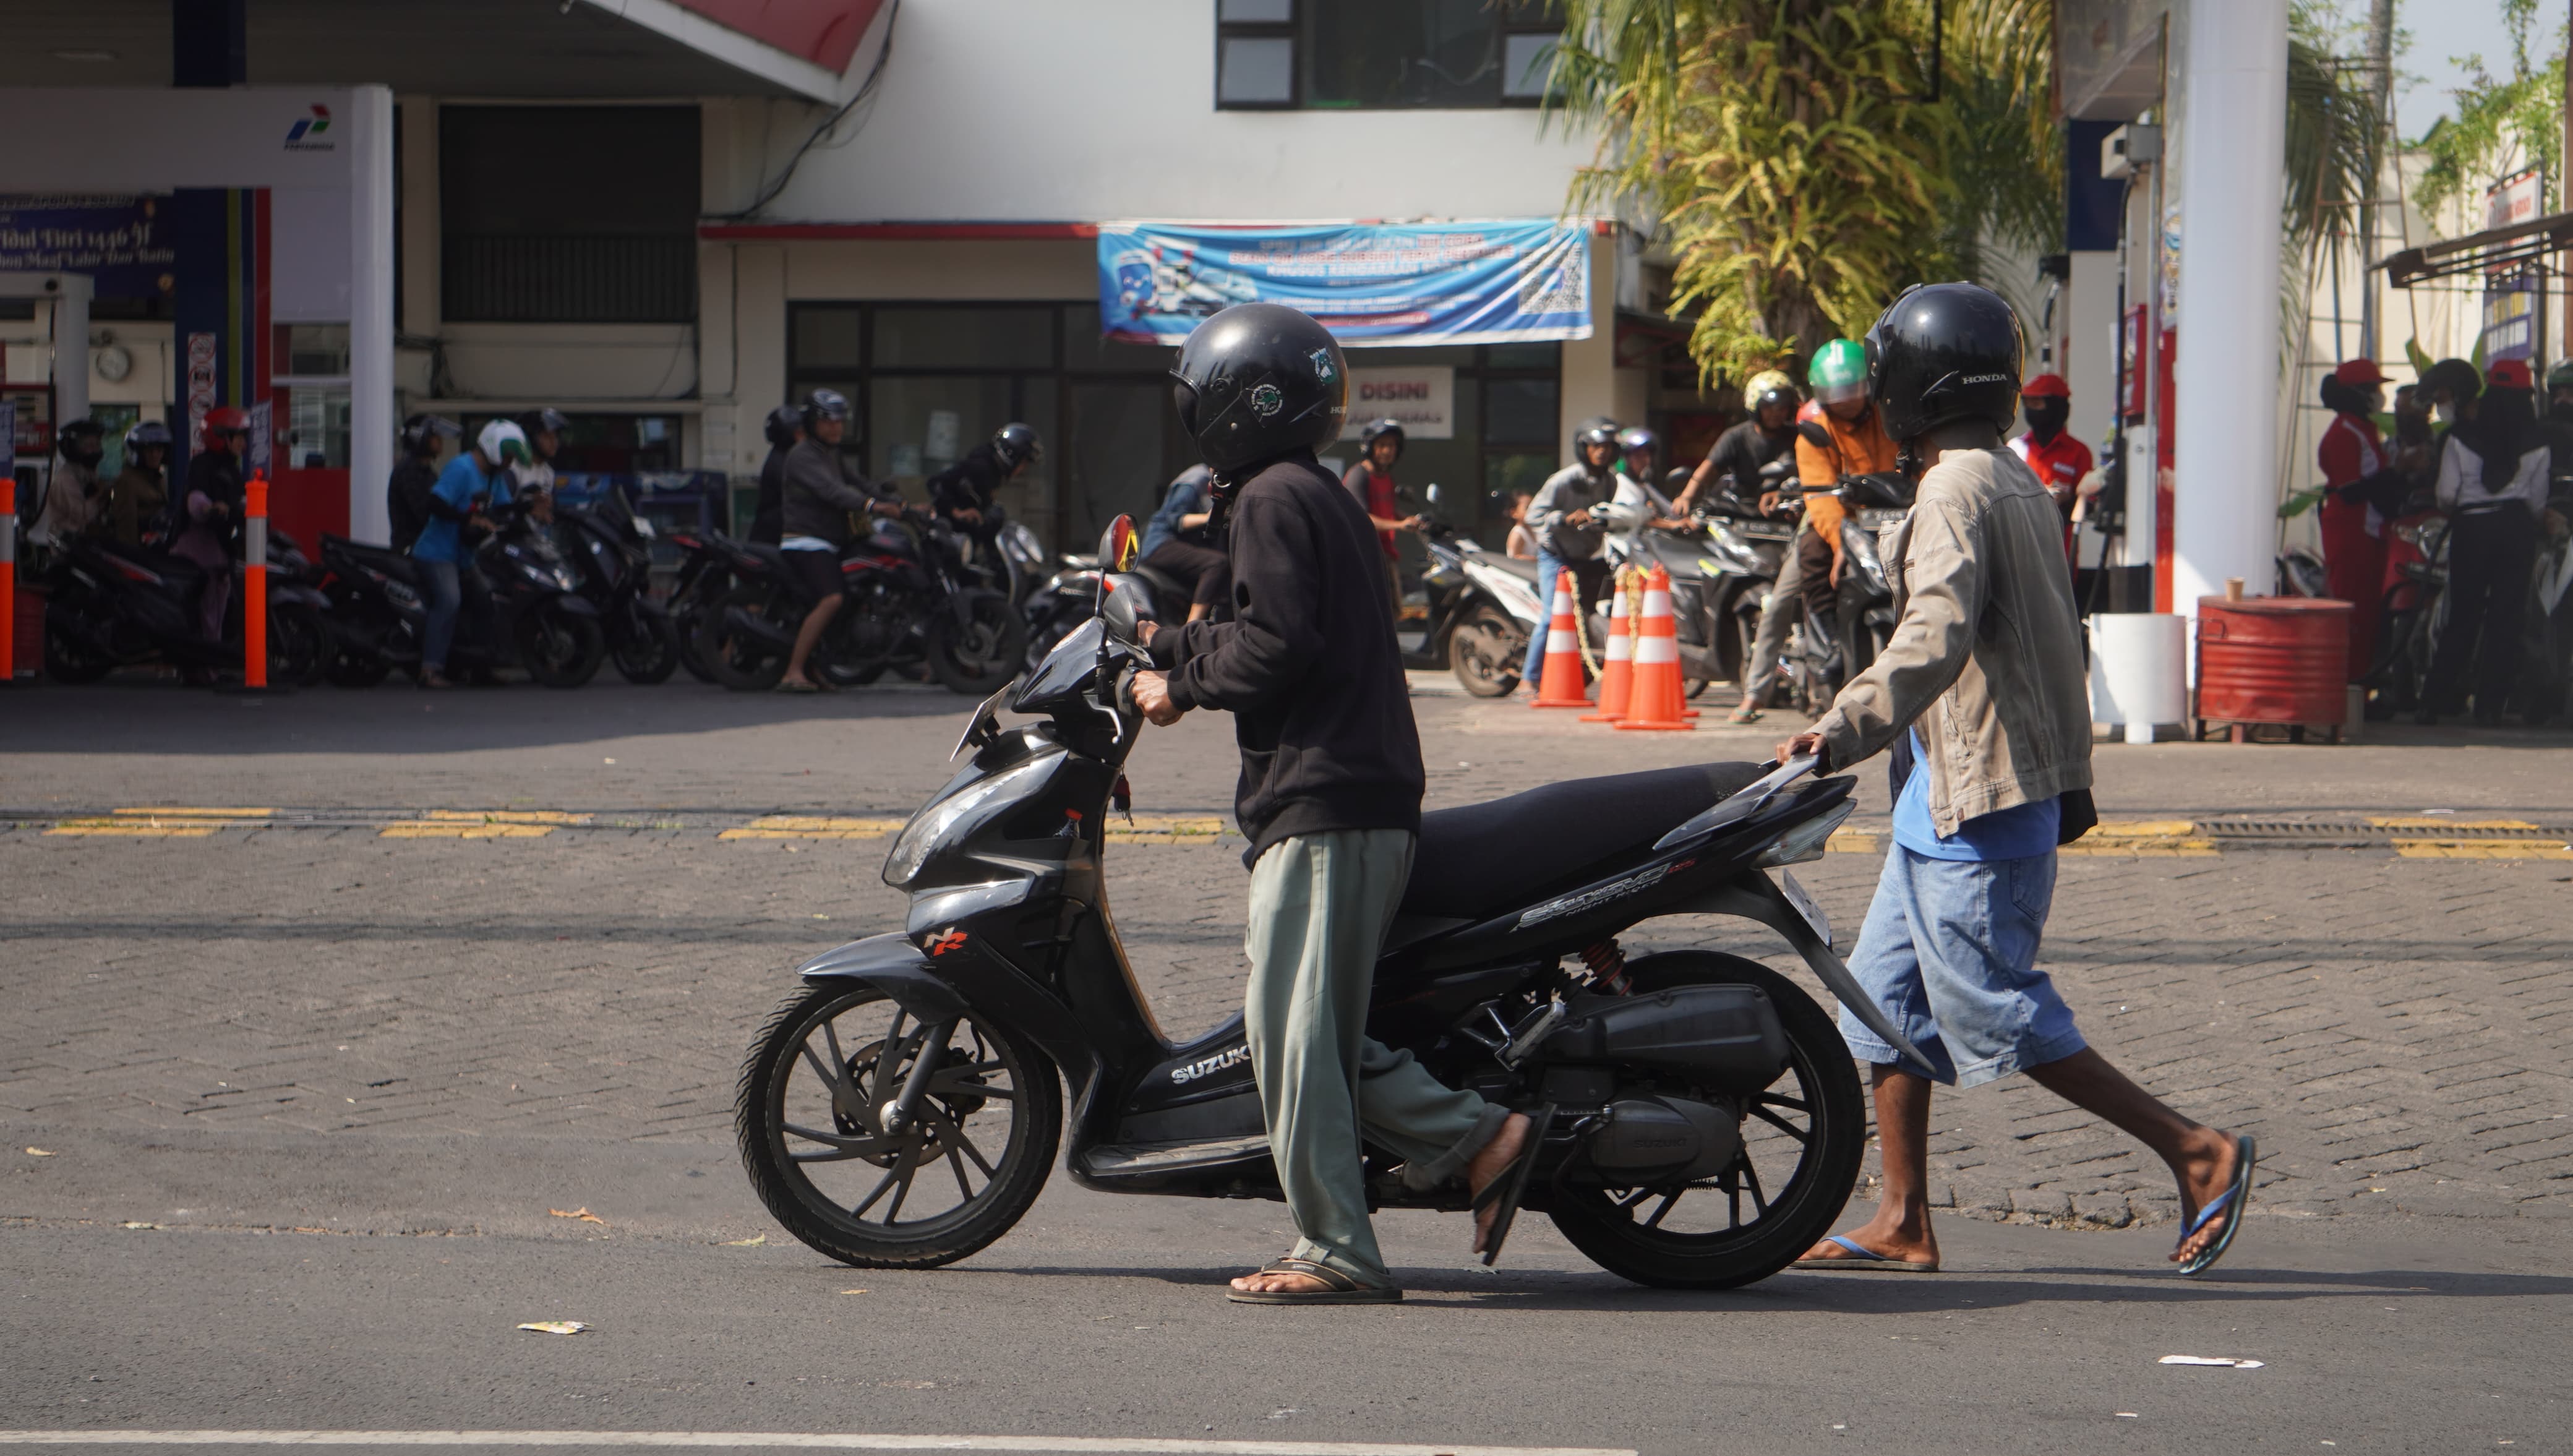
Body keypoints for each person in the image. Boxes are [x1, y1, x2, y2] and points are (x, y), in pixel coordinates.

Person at [1779, 282, 2253, 1280]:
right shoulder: (2008, 475)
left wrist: (1839, 725)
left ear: (1916, 384)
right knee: (1879, 1001)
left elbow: (1934, 631)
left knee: (1994, 1005)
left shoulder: (1954, 489)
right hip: (1944, 792)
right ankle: (1903, 1215)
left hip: (1982, 798)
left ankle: (2198, 1151)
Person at [1128, 302, 1531, 1305]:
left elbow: (1276, 644)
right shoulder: (1311, 489)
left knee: (1294, 1033)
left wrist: (1178, 687)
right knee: (1307, 1026)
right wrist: (1172, 648)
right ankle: (1470, 1141)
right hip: (1349, 790)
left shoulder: (1270, 496)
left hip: (1327, 797)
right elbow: (1259, 617)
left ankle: (1352, 1236)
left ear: (1225, 403)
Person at [2421, 359, 2561, 725]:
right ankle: (2488, 708)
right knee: (2506, 620)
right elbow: (2536, 501)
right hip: (2515, 531)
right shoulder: (2537, 442)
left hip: (2471, 530)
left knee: (2463, 616)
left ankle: (2432, 702)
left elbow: (2447, 495)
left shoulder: (2459, 438)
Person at [777, 389, 904, 693]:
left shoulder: (831, 454)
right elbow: (835, 492)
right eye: (828, 421)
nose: (836, 427)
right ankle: (792, 671)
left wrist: (904, 505)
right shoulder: (803, 456)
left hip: (831, 541)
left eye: (840, 421)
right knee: (832, 597)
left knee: (855, 592)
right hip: (806, 541)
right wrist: (874, 507)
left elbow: (861, 484)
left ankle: (819, 665)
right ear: (811, 422)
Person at [410, 419, 523, 688]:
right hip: (437, 553)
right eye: (508, 455)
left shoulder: (493, 477)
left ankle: (480, 668)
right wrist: (467, 519)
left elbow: (505, 509)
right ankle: (430, 670)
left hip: (465, 557)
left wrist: (529, 506)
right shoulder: (462, 468)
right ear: (495, 448)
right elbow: (435, 502)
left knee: (486, 599)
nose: (510, 462)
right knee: (449, 601)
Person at [1794, 338, 1899, 622]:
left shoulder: (1894, 417)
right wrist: (1842, 543)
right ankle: (1827, 641)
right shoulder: (1813, 436)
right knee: (1812, 555)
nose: (1845, 402)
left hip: (1898, 515)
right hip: (1843, 520)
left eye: (1852, 390)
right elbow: (1821, 501)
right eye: (1835, 393)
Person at [2314, 359, 2402, 680]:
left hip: (2368, 531)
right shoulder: (2344, 433)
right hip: (2352, 532)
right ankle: (2348, 689)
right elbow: (2351, 491)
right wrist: (2396, 474)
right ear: (2358, 393)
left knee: (2367, 614)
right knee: (2353, 613)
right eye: (2374, 389)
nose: (2379, 396)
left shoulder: (2363, 428)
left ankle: (2358, 689)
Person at [1519, 422, 1621, 692]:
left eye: (1607, 447)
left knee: (1584, 616)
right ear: (1584, 449)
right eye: (1596, 447)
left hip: (1585, 558)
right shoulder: (1563, 480)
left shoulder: (1610, 481)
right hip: (1555, 556)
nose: (1601, 453)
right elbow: (1533, 516)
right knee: (1553, 616)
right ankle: (1527, 679)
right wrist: (1564, 519)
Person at [169, 406, 251, 643]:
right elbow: (195, 500)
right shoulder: (202, 464)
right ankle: (201, 668)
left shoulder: (233, 469)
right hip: (198, 553)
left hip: (221, 552)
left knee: (217, 612)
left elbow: (241, 500)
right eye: (239, 437)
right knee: (204, 612)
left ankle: (212, 667)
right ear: (222, 436)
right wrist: (211, 507)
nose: (243, 444)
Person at [2008, 373, 2096, 565]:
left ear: (2057, 408)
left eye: (2037, 404)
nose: (2031, 411)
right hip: (2020, 549)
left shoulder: (2078, 452)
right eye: (2028, 404)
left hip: (2060, 554)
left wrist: (2068, 499)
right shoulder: (2015, 448)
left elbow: (2090, 504)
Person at [1690, 374, 1802, 520]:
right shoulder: (1736, 436)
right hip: (1741, 512)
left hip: (1784, 512)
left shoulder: (1799, 438)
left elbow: (1812, 474)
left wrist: (1786, 495)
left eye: (1782, 408)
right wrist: (1687, 497)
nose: (1775, 413)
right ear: (1755, 407)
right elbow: (1710, 467)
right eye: (1767, 407)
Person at [1342, 418, 1422, 615]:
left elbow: (1387, 509)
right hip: (1365, 556)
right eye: (1383, 445)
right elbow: (1362, 518)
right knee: (1374, 613)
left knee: (1392, 612)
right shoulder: (1359, 476)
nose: (1388, 450)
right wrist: (1400, 525)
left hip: (1384, 555)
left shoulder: (1385, 477)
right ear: (1370, 447)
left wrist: (1411, 520)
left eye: (1392, 445)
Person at [1139, 462, 1229, 623]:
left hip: (1186, 548)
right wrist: (1210, 518)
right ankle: (1192, 627)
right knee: (1217, 564)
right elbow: (1175, 518)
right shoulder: (1196, 479)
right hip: (1161, 545)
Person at [928, 422, 1042, 536]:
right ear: (1012, 455)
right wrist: (958, 513)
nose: (1023, 469)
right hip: (947, 535)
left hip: (967, 535)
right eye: (1024, 463)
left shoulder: (996, 472)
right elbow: (936, 483)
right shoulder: (981, 466)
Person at [29, 419, 107, 553]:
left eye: (97, 444)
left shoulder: (89, 474)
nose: (95, 449)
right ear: (72, 447)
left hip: (88, 543)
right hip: (70, 548)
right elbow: (82, 515)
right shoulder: (66, 477)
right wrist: (101, 494)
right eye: (88, 445)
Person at [388, 414, 460, 553]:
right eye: (434, 435)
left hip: (426, 547)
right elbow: (426, 512)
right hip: (412, 550)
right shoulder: (409, 470)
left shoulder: (426, 471)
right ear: (420, 438)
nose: (440, 440)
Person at [105, 421, 173, 547]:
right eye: (149, 450)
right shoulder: (127, 481)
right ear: (138, 452)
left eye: (159, 450)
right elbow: (126, 528)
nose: (155, 455)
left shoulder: (157, 477)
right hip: (139, 554)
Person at [747, 405, 803, 547]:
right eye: (799, 432)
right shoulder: (781, 463)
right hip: (773, 538)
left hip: (782, 534)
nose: (803, 437)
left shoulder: (789, 457)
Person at [512, 408, 570, 516]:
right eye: (547, 437)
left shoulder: (548, 472)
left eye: (556, 437)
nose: (554, 442)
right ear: (530, 437)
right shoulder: (513, 468)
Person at [1502, 490, 1537, 559]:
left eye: (1534, 507)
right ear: (1514, 513)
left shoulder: (1534, 530)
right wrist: (1539, 560)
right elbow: (1515, 557)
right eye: (1527, 508)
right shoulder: (1518, 533)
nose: (1532, 511)